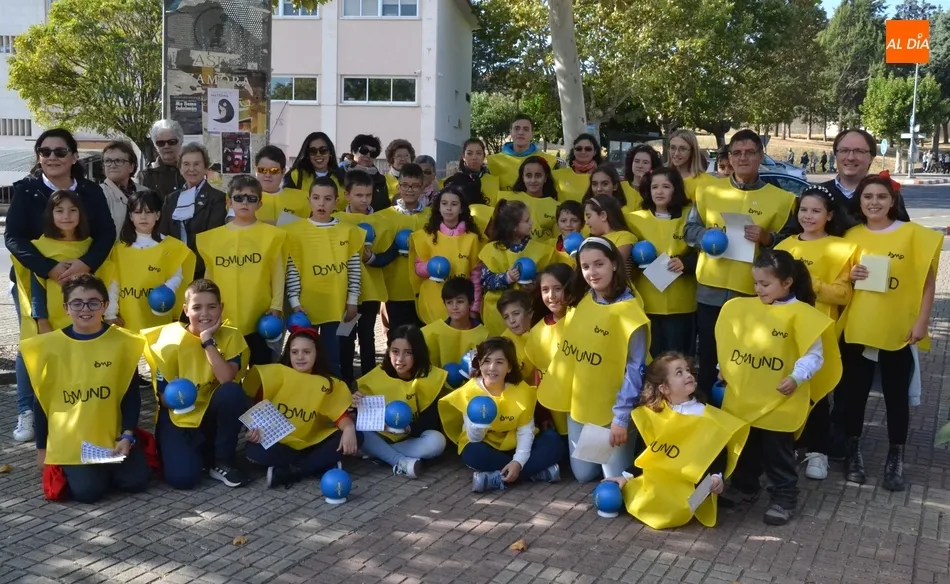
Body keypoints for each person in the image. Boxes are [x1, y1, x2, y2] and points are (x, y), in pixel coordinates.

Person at [716, 250, 840, 525]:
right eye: (756, 283)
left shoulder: (803, 315)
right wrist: (723, 368)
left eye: (765, 284)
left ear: (787, 283)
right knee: (744, 446)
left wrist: (796, 377)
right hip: (746, 397)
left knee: (778, 453)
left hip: (780, 400)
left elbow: (814, 355)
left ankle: (784, 497)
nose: (758, 289)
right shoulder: (742, 308)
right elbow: (732, 343)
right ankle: (745, 486)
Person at [832, 176, 941, 491]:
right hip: (859, 326)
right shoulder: (850, 236)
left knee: (896, 396)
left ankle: (896, 456)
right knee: (855, 394)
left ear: (892, 201)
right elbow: (840, 283)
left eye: (881, 196)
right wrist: (850, 276)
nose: (874, 202)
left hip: (897, 327)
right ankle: (853, 451)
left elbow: (927, 282)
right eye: (868, 197)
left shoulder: (912, 235)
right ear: (860, 201)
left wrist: (923, 321)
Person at [6, 128, 115, 442]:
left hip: (83, 281)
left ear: (74, 157)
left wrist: (85, 265)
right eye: (45, 151)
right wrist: (49, 268)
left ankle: (77, 406)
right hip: (35, 281)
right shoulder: (26, 190)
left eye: (59, 151)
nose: (51, 157)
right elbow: (13, 237)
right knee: (33, 345)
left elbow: (107, 233)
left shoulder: (91, 191)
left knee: (81, 344)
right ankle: (28, 411)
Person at [685, 129, 796, 397]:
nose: (743, 158)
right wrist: (707, 237)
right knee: (709, 356)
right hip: (709, 289)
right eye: (737, 153)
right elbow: (688, 231)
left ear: (761, 156)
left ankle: (742, 413)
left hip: (752, 292)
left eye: (750, 152)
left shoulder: (782, 200)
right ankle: (706, 414)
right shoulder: (708, 189)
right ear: (729, 158)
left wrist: (768, 237)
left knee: (744, 357)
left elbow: (793, 244)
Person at [23, 274, 149, 503]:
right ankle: (86, 471)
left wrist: (128, 434)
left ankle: (106, 467)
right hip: (73, 440)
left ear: (105, 305)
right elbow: (41, 402)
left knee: (137, 482)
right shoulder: (48, 346)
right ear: (65, 308)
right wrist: (42, 449)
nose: (85, 309)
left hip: (111, 435)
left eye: (93, 302)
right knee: (88, 493)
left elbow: (130, 395)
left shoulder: (123, 342)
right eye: (77, 303)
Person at [536, 237, 650, 482]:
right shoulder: (584, 299)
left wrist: (621, 419)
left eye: (599, 264)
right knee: (583, 475)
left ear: (615, 265)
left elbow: (635, 369)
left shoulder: (631, 312)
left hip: (612, 410)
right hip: (581, 405)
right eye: (586, 266)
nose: (592, 272)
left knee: (614, 478)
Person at [604, 353, 748, 529]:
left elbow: (718, 451)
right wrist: (626, 475)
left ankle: (705, 497)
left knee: (682, 510)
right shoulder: (655, 413)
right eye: (679, 373)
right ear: (664, 388)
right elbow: (652, 453)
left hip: (691, 482)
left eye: (688, 370)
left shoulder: (706, 414)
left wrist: (717, 477)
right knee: (637, 498)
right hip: (662, 480)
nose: (688, 374)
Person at [775, 186, 856, 481]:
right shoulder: (784, 246)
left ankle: (818, 451)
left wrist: (810, 283)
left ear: (829, 215)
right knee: (788, 386)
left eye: (816, 211)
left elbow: (844, 294)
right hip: (784, 331)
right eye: (804, 210)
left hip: (820, 330)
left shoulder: (842, 248)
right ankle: (790, 445)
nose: (808, 216)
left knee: (818, 392)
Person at [143, 279, 250, 489]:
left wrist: (207, 341)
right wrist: (179, 398)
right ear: (185, 310)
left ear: (221, 308)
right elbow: (163, 398)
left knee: (232, 392)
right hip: (179, 415)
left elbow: (227, 379)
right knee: (183, 479)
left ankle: (222, 460)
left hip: (211, 410)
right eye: (197, 307)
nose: (205, 314)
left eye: (212, 307)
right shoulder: (168, 340)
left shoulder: (231, 336)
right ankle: (197, 452)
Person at [439, 337, 564, 492]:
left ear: (509, 367)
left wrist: (518, 462)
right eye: (486, 361)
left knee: (554, 442)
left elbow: (526, 432)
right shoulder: (469, 393)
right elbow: (474, 438)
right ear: (479, 364)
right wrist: (479, 422)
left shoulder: (522, 391)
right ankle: (534, 473)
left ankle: (497, 478)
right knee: (472, 453)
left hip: (516, 445)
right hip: (488, 446)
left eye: (499, 362)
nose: (492, 368)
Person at [243, 327, 360, 488]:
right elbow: (257, 415)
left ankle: (291, 471)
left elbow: (342, 418)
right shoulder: (274, 376)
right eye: (295, 352)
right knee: (252, 450)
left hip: (312, 441)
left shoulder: (329, 383)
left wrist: (349, 429)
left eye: (306, 352)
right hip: (281, 443)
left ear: (316, 353)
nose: (300, 357)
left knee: (357, 436)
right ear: (288, 353)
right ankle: (317, 465)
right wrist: (253, 432)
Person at [197, 175, 287, 366]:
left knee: (261, 364)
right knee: (229, 365)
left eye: (251, 198)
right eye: (238, 198)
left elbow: (278, 272)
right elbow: (209, 276)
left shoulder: (272, 236)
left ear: (260, 204)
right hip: (224, 313)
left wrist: (277, 305)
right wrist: (206, 305)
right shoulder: (213, 238)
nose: (244, 202)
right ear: (229, 202)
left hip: (260, 313)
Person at [284, 177, 365, 378]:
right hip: (305, 307)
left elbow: (354, 269)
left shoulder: (348, 231)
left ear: (336, 202)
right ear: (309, 199)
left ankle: (334, 398)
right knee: (304, 356)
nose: (322, 203)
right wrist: (294, 302)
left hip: (335, 306)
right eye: (316, 198)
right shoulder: (294, 231)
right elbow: (293, 268)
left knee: (332, 356)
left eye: (328, 198)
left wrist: (352, 300)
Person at [354, 325, 448, 478]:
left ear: (417, 354)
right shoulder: (376, 376)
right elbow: (363, 421)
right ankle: (399, 461)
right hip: (380, 435)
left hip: (409, 439)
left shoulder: (431, 377)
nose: (399, 359)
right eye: (395, 351)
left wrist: (406, 429)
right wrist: (356, 402)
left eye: (408, 353)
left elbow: (430, 423)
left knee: (437, 441)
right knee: (354, 425)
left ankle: (379, 453)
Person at [627, 168, 697, 356]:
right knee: (653, 358)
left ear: (676, 189)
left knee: (677, 358)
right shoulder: (634, 219)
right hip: (647, 302)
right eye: (654, 186)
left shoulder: (689, 216)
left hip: (682, 303)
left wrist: (687, 263)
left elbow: (703, 252)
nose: (659, 191)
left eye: (666, 186)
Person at [103, 191, 196, 332]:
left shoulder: (172, 246)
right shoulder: (119, 249)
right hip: (128, 318)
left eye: (149, 212)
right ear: (131, 216)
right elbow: (113, 283)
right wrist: (110, 313)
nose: (143, 217)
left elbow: (177, 276)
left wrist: (167, 290)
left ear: (158, 215)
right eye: (137, 212)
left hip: (160, 318)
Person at [334, 170, 396, 382]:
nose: (364, 199)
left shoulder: (382, 220)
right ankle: (346, 379)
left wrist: (372, 257)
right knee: (345, 336)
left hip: (370, 290)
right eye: (359, 195)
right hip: (344, 292)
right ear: (347, 195)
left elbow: (388, 253)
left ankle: (369, 380)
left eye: (368, 195)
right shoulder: (337, 220)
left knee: (367, 336)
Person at [13, 191, 92, 339]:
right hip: (52, 319)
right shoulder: (40, 247)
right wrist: (41, 320)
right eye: (59, 211)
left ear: (81, 213)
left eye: (73, 210)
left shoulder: (90, 247)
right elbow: (36, 288)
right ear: (51, 214)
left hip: (89, 318)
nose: (66, 216)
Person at [410, 185, 483, 324]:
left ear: (461, 208)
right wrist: (431, 267)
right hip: (433, 302)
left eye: (454, 204)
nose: (449, 208)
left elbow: (476, 276)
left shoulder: (472, 238)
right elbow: (418, 268)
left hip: (462, 306)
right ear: (438, 207)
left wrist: (474, 308)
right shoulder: (426, 236)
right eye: (444, 204)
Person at [479, 200, 554, 335]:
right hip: (498, 314)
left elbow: (548, 274)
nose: (531, 222)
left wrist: (536, 282)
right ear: (513, 226)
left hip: (527, 312)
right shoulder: (491, 250)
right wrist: (506, 278)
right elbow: (485, 281)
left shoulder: (537, 249)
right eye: (526, 220)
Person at [158, 143, 227, 278]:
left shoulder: (217, 198)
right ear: (180, 168)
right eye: (186, 164)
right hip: (174, 269)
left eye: (197, 164)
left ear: (205, 167)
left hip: (203, 270)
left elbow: (212, 238)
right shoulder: (171, 199)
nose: (191, 169)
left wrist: (192, 265)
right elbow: (163, 234)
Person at [377, 163, 430, 331]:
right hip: (395, 290)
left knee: (422, 340)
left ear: (422, 188)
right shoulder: (385, 216)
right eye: (405, 185)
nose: (409, 190)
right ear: (398, 186)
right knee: (397, 339)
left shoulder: (432, 217)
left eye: (415, 186)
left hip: (424, 290)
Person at [820, 129, 909, 225]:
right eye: (844, 150)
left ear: (871, 157)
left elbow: (903, 232)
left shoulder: (886, 193)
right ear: (836, 155)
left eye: (859, 151)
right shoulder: (817, 193)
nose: (850, 158)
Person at [524, 264, 573, 436]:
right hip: (555, 408)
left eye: (557, 288)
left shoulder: (582, 319)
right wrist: (543, 413)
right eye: (545, 290)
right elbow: (538, 374)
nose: (551, 296)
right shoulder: (537, 330)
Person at [421, 277, 488, 370]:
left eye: (460, 301)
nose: (454, 307)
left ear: (471, 303)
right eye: (449, 302)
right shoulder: (430, 333)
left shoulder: (484, 335)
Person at [487, 114, 559, 191]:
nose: (521, 132)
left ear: (532, 134)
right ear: (510, 132)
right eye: (517, 128)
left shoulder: (549, 161)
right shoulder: (494, 161)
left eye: (526, 129)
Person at [252, 145, 310, 225]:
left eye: (274, 171)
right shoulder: (243, 198)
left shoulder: (303, 198)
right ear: (256, 170)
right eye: (262, 170)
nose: (268, 175)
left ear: (283, 172)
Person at [443, 138, 500, 219]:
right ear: (463, 156)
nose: (474, 157)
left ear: (484, 156)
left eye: (478, 153)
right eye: (469, 153)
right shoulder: (453, 181)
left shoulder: (494, 180)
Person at [506, 156, 560, 241]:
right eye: (528, 176)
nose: (533, 180)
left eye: (538, 176)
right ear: (522, 177)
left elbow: (558, 240)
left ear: (545, 178)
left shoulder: (556, 207)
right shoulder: (508, 200)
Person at [100, 140, 147, 238]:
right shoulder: (97, 194)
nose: (112, 165)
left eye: (118, 161)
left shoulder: (146, 193)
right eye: (108, 161)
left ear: (131, 167)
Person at [583, 195, 637, 279]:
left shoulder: (625, 236)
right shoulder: (589, 240)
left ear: (603, 215)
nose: (586, 222)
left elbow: (616, 263)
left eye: (589, 216)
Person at [284, 132, 345, 205]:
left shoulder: (343, 178)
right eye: (313, 151)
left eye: (323, 150)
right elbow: (286, 207)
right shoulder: (296, 175)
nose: (318, 154)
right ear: (307, 154)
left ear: (330, 152)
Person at [496, 289, 537, 382]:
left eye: (516, 314)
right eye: (506, 317)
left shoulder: (545, 333)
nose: (511, 321)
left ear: (530, 313)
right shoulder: (504, 342)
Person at [140, 120, 186, 199]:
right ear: (155, 146)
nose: (166, 146)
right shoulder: (146, 176)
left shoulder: (191, 170)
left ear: (180, 141)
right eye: (161, 143)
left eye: (171, 142)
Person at [552, 133, 603, 202]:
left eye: (588, 149)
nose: (583, 152)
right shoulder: (557, 175)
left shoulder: (604, 176)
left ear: (595, 152)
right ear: (574, 151)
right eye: (579, 148)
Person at [347, 134, 391, 211]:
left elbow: (385, 207)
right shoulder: (340, 175)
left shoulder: (381, 180)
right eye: (364, 151)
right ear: (353, 151)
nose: (368, 155)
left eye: (373, 153)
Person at [667, 129, 711, 201]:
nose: (676, 153)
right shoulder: (661, 178)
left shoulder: (705, 181)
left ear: (693, 151)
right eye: (673, 148)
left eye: (683, 149)